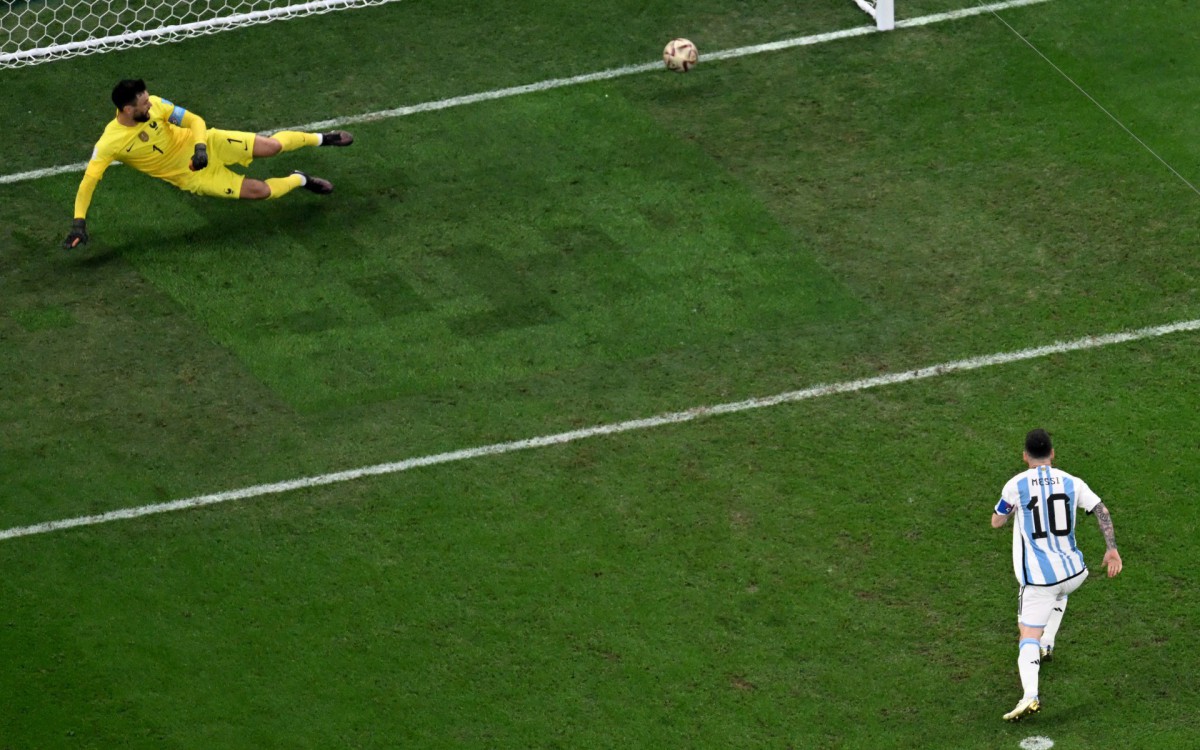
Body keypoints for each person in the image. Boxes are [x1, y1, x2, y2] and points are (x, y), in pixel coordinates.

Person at [63, 78, 354, 249]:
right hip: (193, 176)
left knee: (272, 146)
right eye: (144, 104)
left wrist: (201, 147)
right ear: (128, 110)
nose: (150, 105)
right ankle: (300, 179)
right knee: (261, 192)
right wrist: (79, 223)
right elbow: (89, 182)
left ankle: (322, 138)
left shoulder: (157, 106)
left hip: (207, 144)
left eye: (149, 99)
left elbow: (194, 121)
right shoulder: (109, 143)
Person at [991, 428, 1122, 721]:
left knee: (1026, 634)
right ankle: (1047, 643)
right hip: (1074, 572)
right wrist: (1111, 549)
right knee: (1060, 592)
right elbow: (1101, 510)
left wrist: (1010, 511)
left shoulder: (1016, 485)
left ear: (1025, 456)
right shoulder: (1072, 482)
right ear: (1052, 454)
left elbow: (997, 521)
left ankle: (1030, 696)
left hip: (1039, 582)